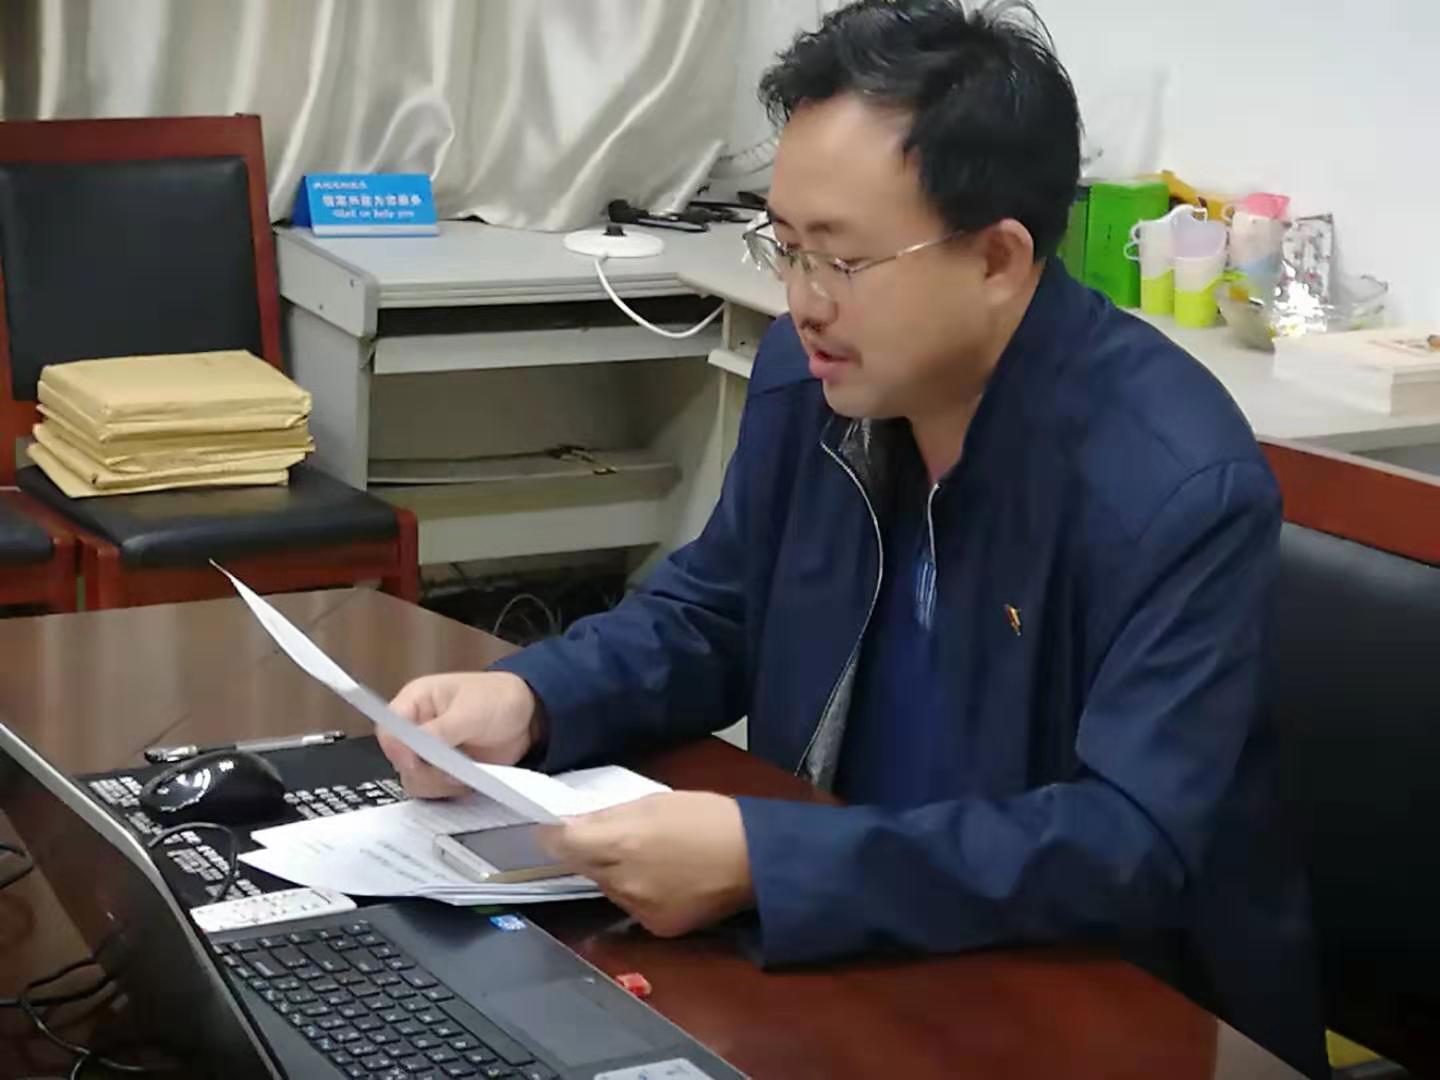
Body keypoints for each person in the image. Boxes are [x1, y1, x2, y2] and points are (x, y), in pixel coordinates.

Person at [380, 1, 1325, 1073]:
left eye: (840, 260)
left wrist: (765, 863)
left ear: (999, 258)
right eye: (784, 248)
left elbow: (1128, 844)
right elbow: (718, 613)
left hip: (1105, 1015)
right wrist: (535, 697)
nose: (801, 303)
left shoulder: (1175, 486)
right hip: (869, 963)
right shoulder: (819, 380)